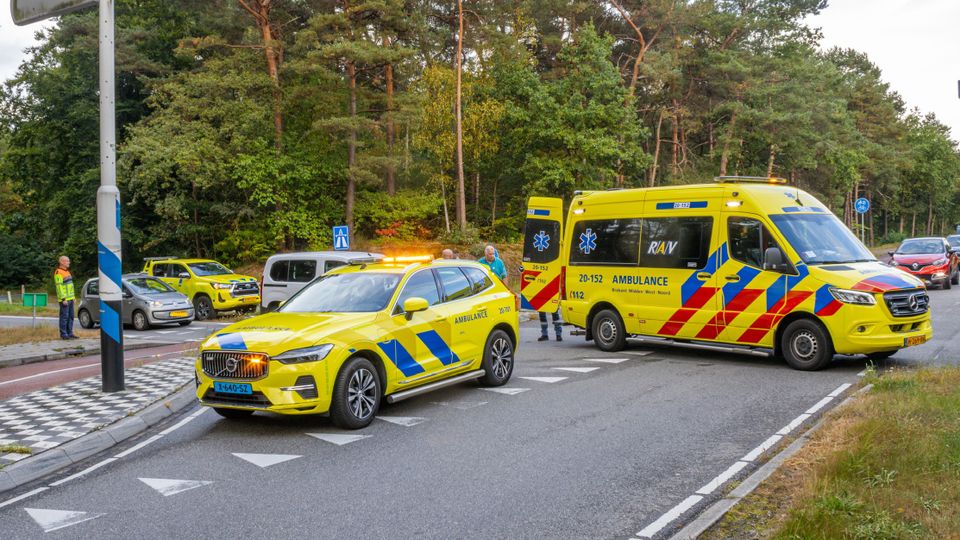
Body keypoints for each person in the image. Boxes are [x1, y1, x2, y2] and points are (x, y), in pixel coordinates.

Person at [54, 255, 78, 340]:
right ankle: (64, 334)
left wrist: (73, 297)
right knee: (64, 317)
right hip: (64, 300)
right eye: (67, 261)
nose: (69, 262)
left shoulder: (67, 272)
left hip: (71, 299)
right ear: (61, 262)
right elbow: (59, 287)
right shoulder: (58, 272)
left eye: (68, 261)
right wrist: (63, 299)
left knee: (71, 316)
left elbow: (70, 286)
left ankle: (70, 333)